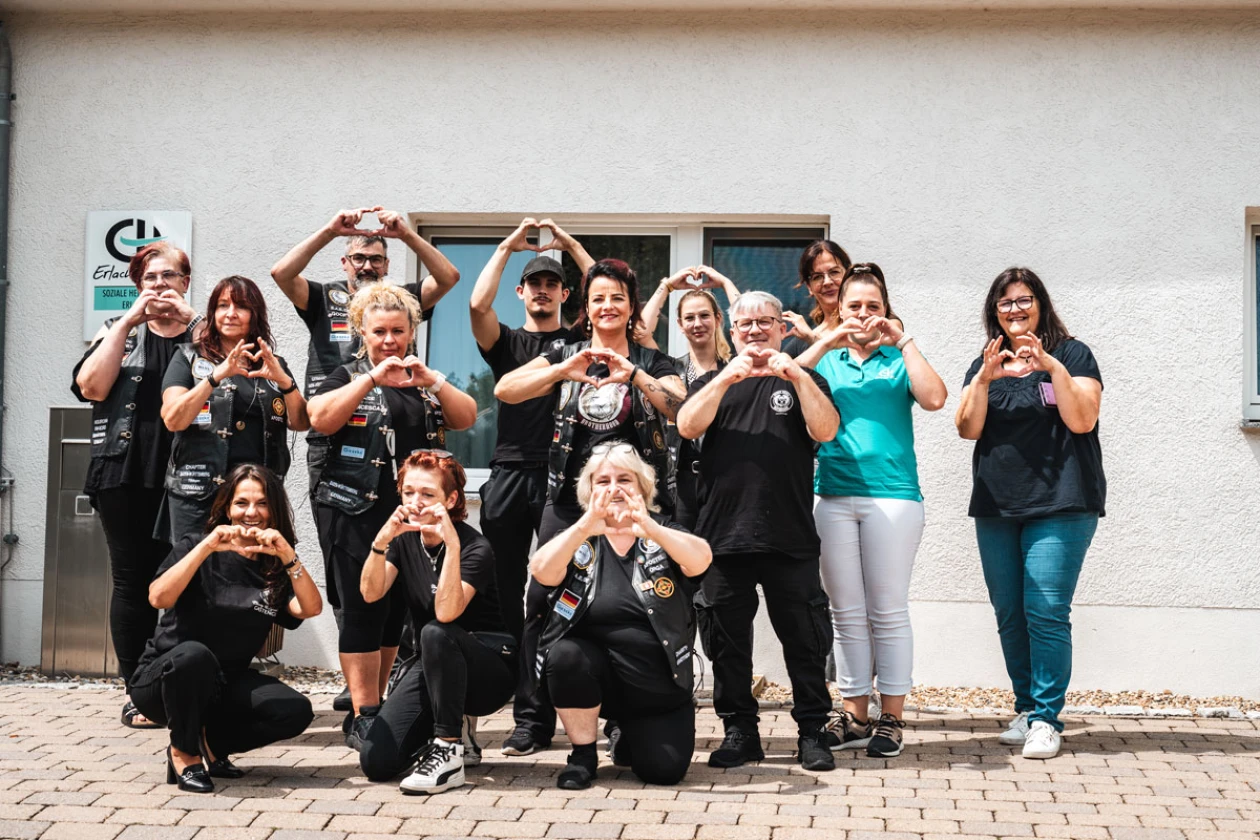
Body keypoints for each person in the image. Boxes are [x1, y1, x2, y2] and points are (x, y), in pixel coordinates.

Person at [271, 206, 460, 712]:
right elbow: (281, 274)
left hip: (397, 453)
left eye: (378, 256)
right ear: (347, 259)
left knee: (393, 593)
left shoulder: (402, 302)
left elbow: (449, 276)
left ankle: (374, 689)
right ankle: (361, 694)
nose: (369, 264)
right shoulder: (326, 297)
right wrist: (333, 228)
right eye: (360, 256)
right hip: (338, 445)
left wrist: (407, 234)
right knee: (351, 586)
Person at [494, 258, 685, 755]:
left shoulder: (653, 360)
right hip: (568, 501)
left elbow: (680, 408)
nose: (607, 306)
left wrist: (636, 375)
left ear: (631, 306)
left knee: (635, 607)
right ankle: (532, 720)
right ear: (586, 306)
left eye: (617, 297)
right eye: (598, 297)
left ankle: (622, 716)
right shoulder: (565, 349)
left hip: (635, 506)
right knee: (541, 603)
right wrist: (561, 370)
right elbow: (505, 390)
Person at [307, 283, 477, 750]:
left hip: (413, 514)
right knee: (363, 608)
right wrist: (370, 378)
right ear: (362, 331)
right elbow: (317, 418)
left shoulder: (424, 380)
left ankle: (378, 705)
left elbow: (467, 417)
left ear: (411, 332)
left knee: (395, 612)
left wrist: (435, 382)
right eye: (379, 331)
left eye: (397, 331)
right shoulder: (345, 373)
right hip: (353, 510)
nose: (389, 340)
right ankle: (363, 713)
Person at [676, 290, 840, 772]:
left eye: (764, 323)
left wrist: (794, 373)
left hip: (789, 536)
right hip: (722, 536)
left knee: (806, 640)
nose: (754, 331)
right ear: (732, 332)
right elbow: (687, 425)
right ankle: (739, 731)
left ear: (781, 328)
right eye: (744, 325)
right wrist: (727, 376)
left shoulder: (806, 379)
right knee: (727, 644)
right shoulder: (714, 380)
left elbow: (826, 431)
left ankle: (813, 731)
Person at [796, 263, 948, 758]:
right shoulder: (830, 358)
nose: (863, 314)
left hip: (894, 497)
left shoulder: (898, 357)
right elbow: (792, 371)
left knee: (887, 610)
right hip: (833, 494)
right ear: (839, 309)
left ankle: (893, 718)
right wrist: (832, 335)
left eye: (873, 306)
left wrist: (902, 341)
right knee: (845, 613)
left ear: (886, 311)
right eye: (854, 306)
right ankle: (855, 712)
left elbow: (935, 398)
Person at [955, 267, 1104, 761]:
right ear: (993, 312)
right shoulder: (987, 361)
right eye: (1005, 303)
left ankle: (1046, 718)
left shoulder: (1072, 354)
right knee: (1010, 614)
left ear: (1040, 304)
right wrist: (983, 376)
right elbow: (967, 428)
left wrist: (1050, 366)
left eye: (1023, 300)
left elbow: (1083, 419)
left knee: (1045, 611)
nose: (1014, 310)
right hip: (998, 504)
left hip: (1062, 501)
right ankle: (1026, 708)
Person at [129, 464, 322, 794]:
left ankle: (211, 744)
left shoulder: (274, 564)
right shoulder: (196, 545)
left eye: (262, 503)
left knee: (294, 711)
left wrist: (289, 557)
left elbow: (309, 608)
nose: (252, 512)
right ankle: (183, 753)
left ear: (273, 510)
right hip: (164, 681)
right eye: (241, 503)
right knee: (193, 656)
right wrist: (206, 546)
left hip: (223, 683)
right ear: (226, 508)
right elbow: (158, 597)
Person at [72, 242, 202, 728]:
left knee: (186, 584)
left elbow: (238, 372)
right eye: (150, 278)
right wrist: (126, 322)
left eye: (170, 276)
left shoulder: (205, 333)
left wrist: (193, 322)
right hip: (123, 473)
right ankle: (139, 692)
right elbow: (93, 388)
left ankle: (183, 684)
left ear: (186, 282)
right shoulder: (116, 333)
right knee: (131, 582)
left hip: (191, 476)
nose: (160, 285)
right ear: (137, 286)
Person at [530, 443, 712, 789]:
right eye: (603, 481)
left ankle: (627, 732)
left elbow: (701, 559)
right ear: (589, 490)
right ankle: (583, 755)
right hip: (595, 676)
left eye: (624, 479)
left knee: (663, 772)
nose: (614, 488)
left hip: (657, 685)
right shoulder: (576, 537)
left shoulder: (664, 531)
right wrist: (585, 526)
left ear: (642, 487)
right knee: (565, 655)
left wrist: (651, 529)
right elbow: (541, 571)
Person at [357, 451, 514, 794]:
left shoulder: (476, 547)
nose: (416, 502)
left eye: (428, 494)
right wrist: (380, 543)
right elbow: (370, 593)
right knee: (376, 762)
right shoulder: (403, 541)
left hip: (489, 669)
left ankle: (448, 748)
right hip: (434, 663)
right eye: (408, 492)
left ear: (451, 499)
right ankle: (443, 728)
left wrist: (452, 546)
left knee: (436, 630)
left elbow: (446, 613)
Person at [469, 217, 592, 640]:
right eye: (534, 283)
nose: (542, 289)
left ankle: (553, 654)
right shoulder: (505, 342)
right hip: (509, 470)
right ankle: (512, 658)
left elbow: (608, 293)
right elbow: (477, 307)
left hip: (563, 473)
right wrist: (506, 247)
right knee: (503, 572)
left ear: (565, 293)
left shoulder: (580, 341)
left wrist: (571, 243)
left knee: (564, 569)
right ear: (520, 292)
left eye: (551, 283)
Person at [160, 275, 308, 542]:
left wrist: (284, 382)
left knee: (257, 572)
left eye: (241, 306)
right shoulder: (187, 356)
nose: (231, 314)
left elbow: (300, 422)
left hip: (256, 498)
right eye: (222, 305)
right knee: (195, 573)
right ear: (212, 313)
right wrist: (216, 376)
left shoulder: (273, 363)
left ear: (255, 315)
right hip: (199, 492)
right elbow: (173, 419)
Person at [640, 275, 738, 529]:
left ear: (718, 319)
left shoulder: (736, 367)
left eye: (705, 316)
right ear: (680, 325)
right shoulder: (670, 369)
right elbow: (640, 333)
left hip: (728, 478)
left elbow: (745, 322)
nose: (698, 323)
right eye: (690, 318)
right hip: (681, 481)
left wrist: (726, 284)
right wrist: (666, 286)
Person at [781, 239, 854, 358]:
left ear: (848, 275)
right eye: (817, 277)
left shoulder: (866, 327)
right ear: (809, 287)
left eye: (834, 272)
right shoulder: (802, 343)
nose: (827, 282)